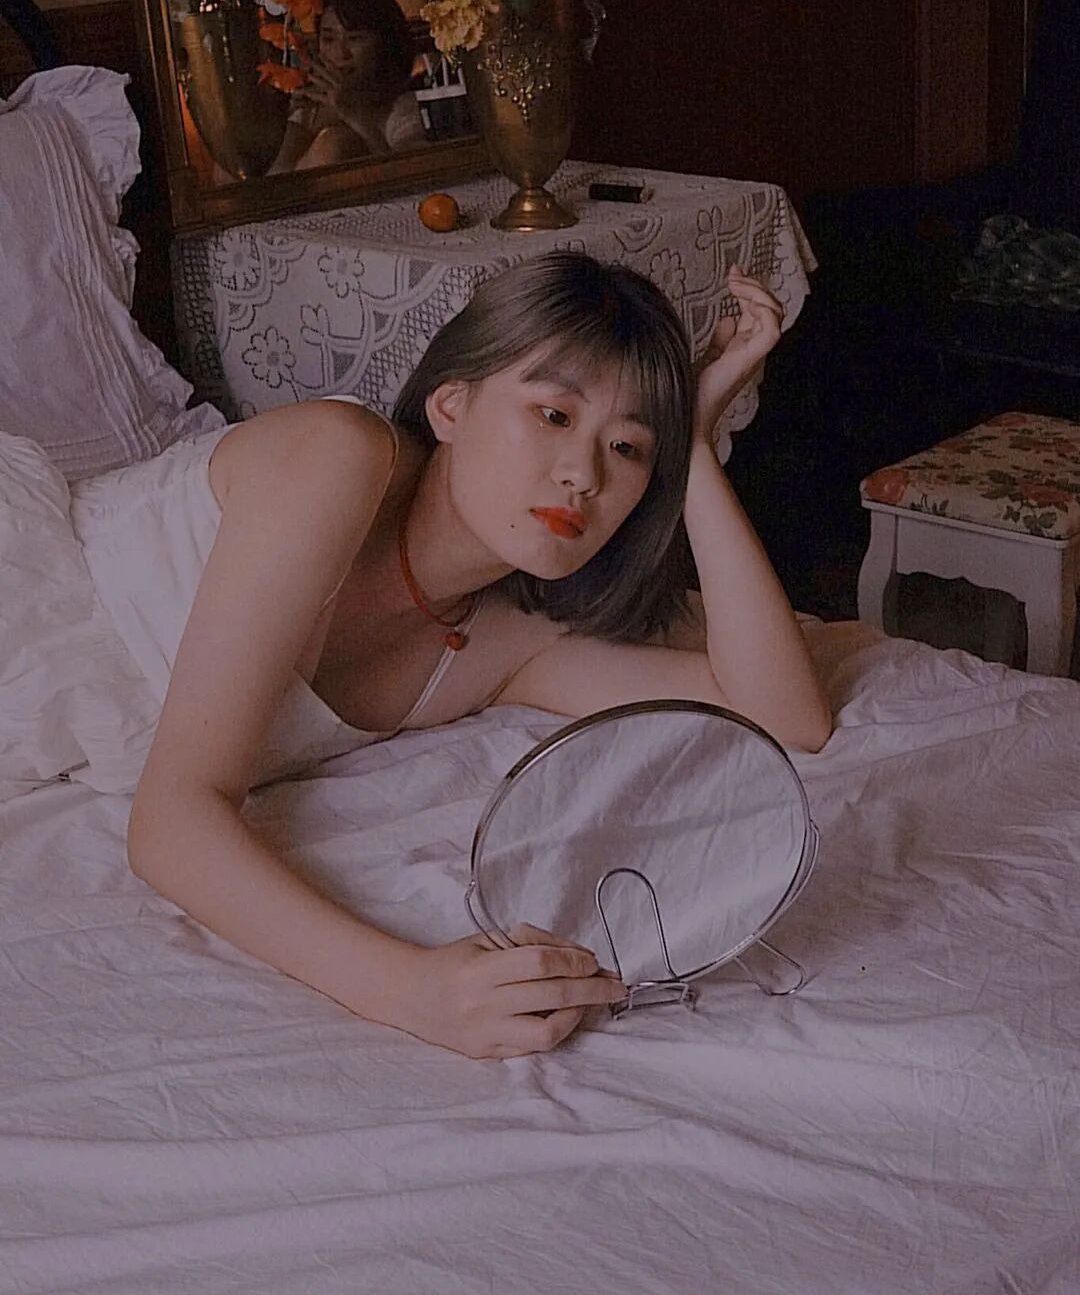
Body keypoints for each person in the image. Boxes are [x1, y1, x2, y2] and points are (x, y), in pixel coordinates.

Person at [19, 254, 832, 1059]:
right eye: (554, 415)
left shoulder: (505, 644)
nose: (582, 475)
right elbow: (170, 822)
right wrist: (412, 990)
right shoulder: (334, 459)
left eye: (626, 449)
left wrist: (692, 447)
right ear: (450, 404)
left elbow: (784, 715)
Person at [268, 0, 427, 174]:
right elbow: (278, 179)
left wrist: (355, 117)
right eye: (328, 39)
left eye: (354, 38)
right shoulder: (311, 110)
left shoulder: (401, 106)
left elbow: (409, 175)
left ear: (384, 43)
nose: (340, 53)